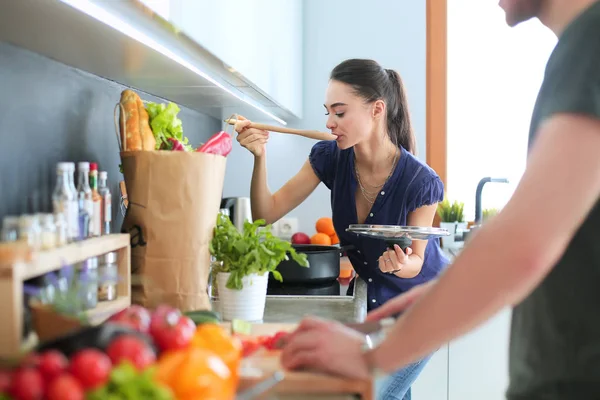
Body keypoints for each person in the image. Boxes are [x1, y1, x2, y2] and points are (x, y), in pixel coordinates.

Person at [279, 0, 600, 399]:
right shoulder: (580, 48)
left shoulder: (590, 45)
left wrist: (371, 361)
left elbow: (522, 243)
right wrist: (369, 330)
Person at [234, 58, 449, 399]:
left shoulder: (421, 181)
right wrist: (260, 156)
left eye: (340, 112)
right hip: (376, 306)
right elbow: (265, 213)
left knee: (368, 393)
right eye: (328, 113)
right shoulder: (331, 157)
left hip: (422, 310)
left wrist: (399, 262)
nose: (330, 123)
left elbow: (417, 262)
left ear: (376, 110)